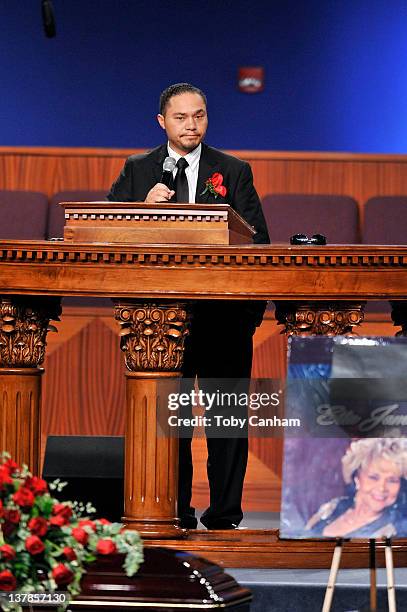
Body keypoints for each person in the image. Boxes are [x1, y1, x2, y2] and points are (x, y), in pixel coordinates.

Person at [107, 82, 270, 530]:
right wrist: (140, 209)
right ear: (162, 122)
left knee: (225, 421)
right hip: (158, 324)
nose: (191, 125)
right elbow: (104, 235)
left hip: (223, 320)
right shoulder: (138, 170)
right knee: (169, 424)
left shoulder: (232, 171)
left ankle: (224, 517)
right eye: (181, 117)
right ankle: (173, 510)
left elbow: (260, 245)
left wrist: (247, 317)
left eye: (199, 116)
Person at [306, 438, 407, 538]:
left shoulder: (398, 530)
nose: (382, 488)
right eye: (373, 478)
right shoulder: (333, 507)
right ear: (356, 478)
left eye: (392, 480)